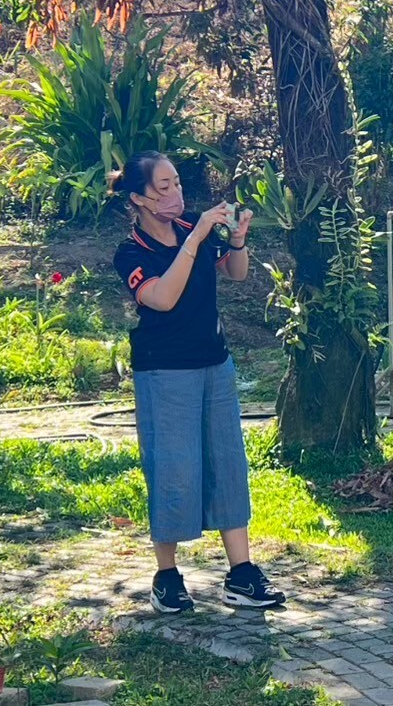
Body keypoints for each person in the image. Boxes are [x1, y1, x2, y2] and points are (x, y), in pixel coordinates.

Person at [110, 151, 287, 614]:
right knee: (173, 468)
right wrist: (196, 239)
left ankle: (241, 574)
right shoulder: (131, 252)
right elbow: (162, 298)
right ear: (139, 199)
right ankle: (167, 577)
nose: (175, 194)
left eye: (177, 184)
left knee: (228, 464)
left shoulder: (194, 229)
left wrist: (237, 242)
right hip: (164, 371)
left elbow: (235, 273)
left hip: (215, 364)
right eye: (163, 188)